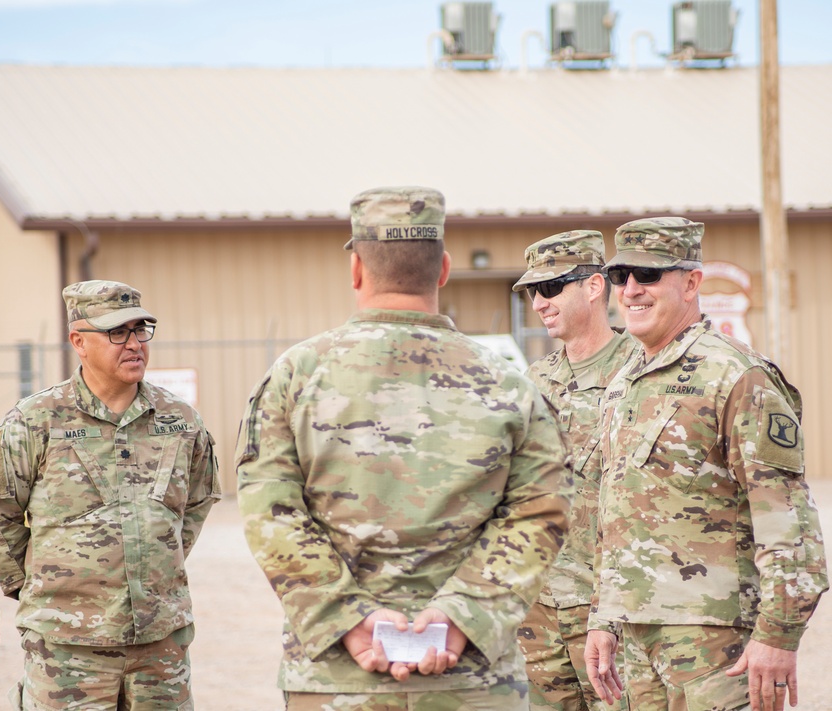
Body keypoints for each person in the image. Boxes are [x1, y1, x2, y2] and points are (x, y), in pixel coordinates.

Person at [235, 185, 573, 711]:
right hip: (471, 679)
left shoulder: (296, 376)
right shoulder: (508, 383)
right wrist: (463, 617)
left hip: (337, 679)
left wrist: (348, 620)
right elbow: (542, 511)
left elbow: (268, 511)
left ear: (356, 271)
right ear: (443, 270)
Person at [584, 217, 829, 711]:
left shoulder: (737, 376)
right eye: (620, 277)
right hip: (637, 639)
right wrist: (604, 618)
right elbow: (617, 511)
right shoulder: (626, 379)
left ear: (692, 282)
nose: (631, 290)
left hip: (718, 645)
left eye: (648, 275)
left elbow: (789, 523)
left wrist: (779, 637)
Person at [0, 280, 220, 710]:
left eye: (141, 330)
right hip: (69, 651)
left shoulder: (180, 420)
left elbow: (194, 504)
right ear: (78, 341)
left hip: (160, 647)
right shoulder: (36, 421)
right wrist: (33, 585)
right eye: (117, 333)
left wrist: (153, 563)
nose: (134, 343)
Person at [511, 231, 637, 711]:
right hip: (540, 609)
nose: (540, 303)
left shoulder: (640, 371)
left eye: (552, 287)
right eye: (532, 292)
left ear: (594, 286)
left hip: (611, 609)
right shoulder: (535, 380)